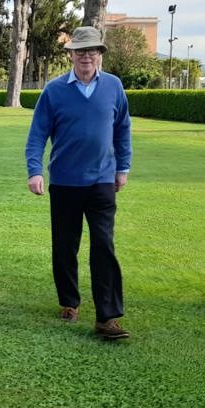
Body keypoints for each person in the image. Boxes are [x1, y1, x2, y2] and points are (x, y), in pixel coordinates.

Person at [25, 26, 132, 340]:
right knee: (65, 246)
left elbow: (122, 130)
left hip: (102, 180)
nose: (87, 56)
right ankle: (69, 301)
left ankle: (107, 317)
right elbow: (37, 136)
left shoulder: (113, 86)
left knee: (103, 246)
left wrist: (122, 168)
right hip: (65, 182)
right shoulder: (54, 91)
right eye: (81, 50)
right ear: (70, 54)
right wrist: (35, 171)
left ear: (99, 54)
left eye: (93, 50)